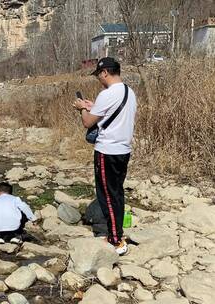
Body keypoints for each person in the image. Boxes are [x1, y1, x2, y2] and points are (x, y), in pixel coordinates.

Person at [73, 57, 137, 256]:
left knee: (106, 196)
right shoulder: (129, 91)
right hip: (123, 150)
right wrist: (94, 106)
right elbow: (111, 113)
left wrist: (82, 108)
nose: (99, 79)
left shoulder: (107, 94)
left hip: (107, 151)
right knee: (116, 193)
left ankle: (116, 240)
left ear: (105, 73)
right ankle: (116, 233)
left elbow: (87, 122)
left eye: (99, 75)